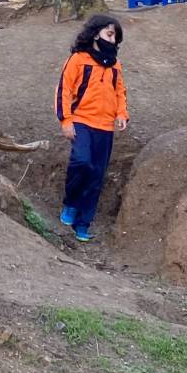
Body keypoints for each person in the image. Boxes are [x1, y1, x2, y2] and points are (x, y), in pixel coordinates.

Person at [56, 14, 128, 244]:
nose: (112, 39)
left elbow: (120, 91)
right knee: (82, 161)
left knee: (97, 175)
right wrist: (66, 121)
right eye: (109, 34)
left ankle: (83, 224)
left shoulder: (115, 64)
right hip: (81, 121)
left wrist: (121, 114)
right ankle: (71, 203)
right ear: (96, 33)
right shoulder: (78, 59)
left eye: (115, 37)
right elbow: (64, 90)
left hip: (105, 127)